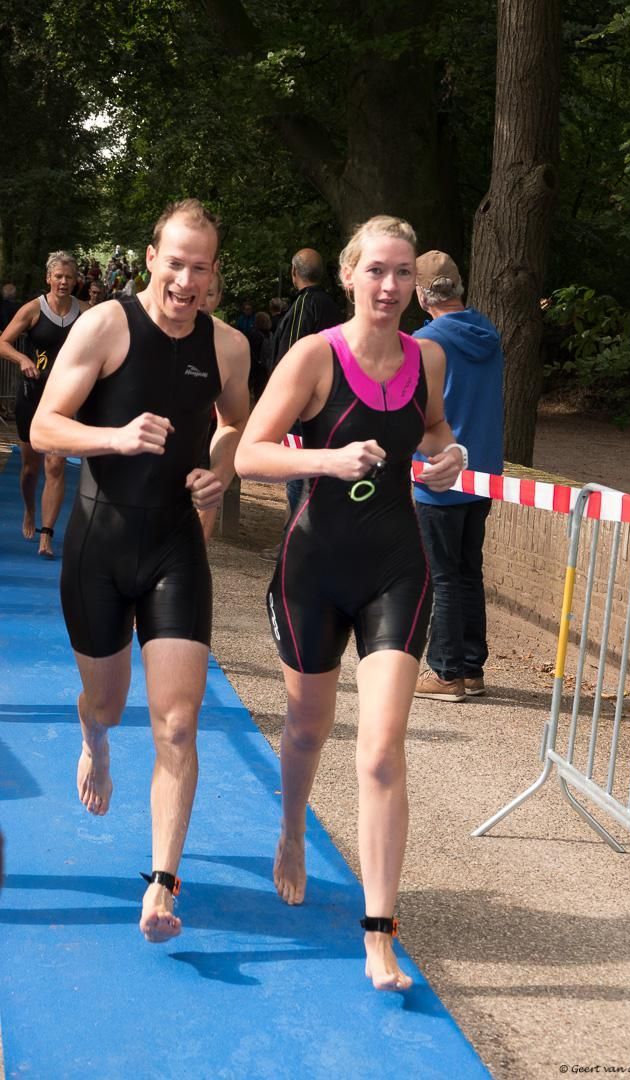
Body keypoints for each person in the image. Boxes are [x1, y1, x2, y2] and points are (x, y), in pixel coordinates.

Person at [234, 215, 465, 991]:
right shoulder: (313, 356)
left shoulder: (428, 357)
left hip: (399, 568)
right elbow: (248, 452)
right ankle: (294, 829)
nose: (390, 286)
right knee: (307, 727)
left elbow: (434, 432)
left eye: (402, 273)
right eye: (376, 271)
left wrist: (448, 455)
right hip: (316, 569)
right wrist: (327, 458)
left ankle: (379, 931)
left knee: (378, 750)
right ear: (348, 275)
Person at [30, 198, 250, 943]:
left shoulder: (229, 347)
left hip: (173, 548)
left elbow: (232, 425)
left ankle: (161, 882)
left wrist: (217, 472)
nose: (187, 279)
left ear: (215, 274)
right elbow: (43, 426)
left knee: (178, 724)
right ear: (151, 257)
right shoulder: (107, 325)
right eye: (176, 262)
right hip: (99, 542)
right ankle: (92, 738)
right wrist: (117, 437)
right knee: (107, 701)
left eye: (202, 267)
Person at [411, 251, 504, 702]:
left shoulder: (425, 341)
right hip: (483, 470)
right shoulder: (488, 331)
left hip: (440, 470)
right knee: (469, 570)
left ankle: (446, 672)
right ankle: (471, 667)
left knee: (442, 573)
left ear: (421, 293)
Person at [0, 252, 87, 556]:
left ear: (77, 280)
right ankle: (28, 510)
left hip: (64, 398)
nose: (64, 282)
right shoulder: (33, 309)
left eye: (69, 277)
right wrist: (23, 358)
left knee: (56, 463)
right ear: (49, 278)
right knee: (30, 469)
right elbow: (3, 343)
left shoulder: (87, 312)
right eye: (58, 276)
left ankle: (46, 535)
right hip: (31, 395)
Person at [270, 248, 343, 519]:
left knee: (296, 473)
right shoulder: (332, 307)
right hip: (327, 401)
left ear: (294, 272)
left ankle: (293, 536)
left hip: (302, 404)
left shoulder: (304, 305)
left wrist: (281, 402)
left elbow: (292, 358)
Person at [197, 269, 251, 541]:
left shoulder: (230, 344)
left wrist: (218, 476)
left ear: (218, 298)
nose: (201, 300)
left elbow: (234, 419)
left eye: (210, 294)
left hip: (203, 445)